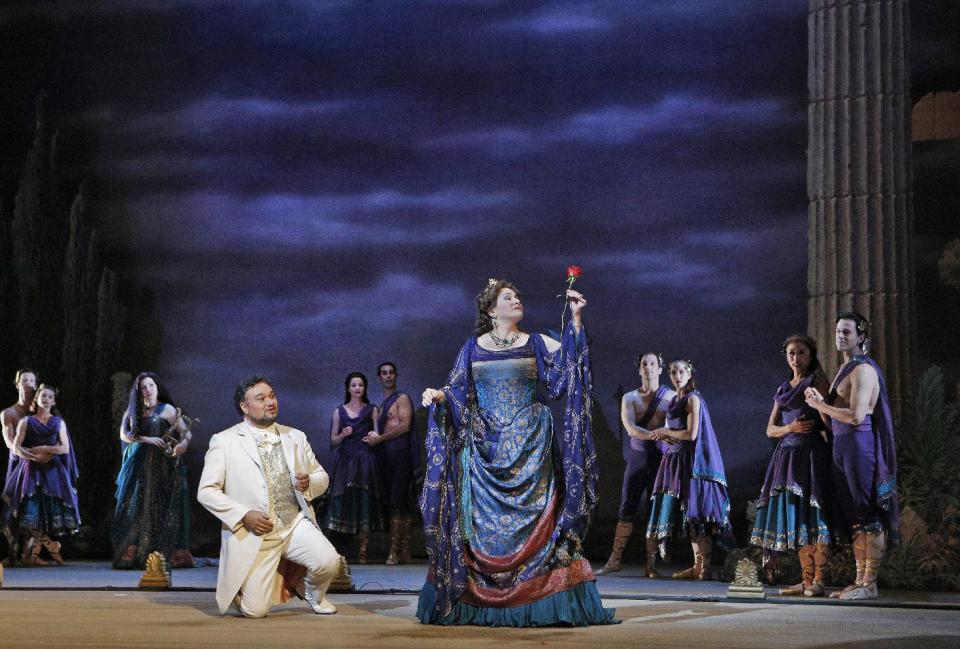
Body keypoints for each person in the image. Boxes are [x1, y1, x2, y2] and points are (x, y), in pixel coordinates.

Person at [417, 278, 616, 627]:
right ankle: (475, 602)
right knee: (477, 528)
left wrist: (576, 319)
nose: (517, 300)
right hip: (484, 452)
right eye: (508, 297)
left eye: (518, 296)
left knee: (538, 526)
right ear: (492, 310)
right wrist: (440, 396)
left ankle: (546, 602)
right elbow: (458, 389)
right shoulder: (473, 347)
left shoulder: (536, 342)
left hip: (530, 450)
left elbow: (568, 369)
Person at [197, 376, 340, 618]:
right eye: (261, 398)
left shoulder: (295, 437)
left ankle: (314, 595)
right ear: (245, 406)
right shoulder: (225, 441)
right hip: (257, 533)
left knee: (329, 560)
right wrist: (244, 515)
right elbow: (206, 491)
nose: (270, 402)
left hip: (293, 525)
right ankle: (245, 589)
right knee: (255, 612)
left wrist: (308, 484)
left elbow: (321, 477)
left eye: (272, 396)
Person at [804, 312, 900, 600]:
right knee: (856, 517)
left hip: (859, 445)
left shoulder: (863, 371)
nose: (840, 336)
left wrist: (825, 406)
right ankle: (859, 581)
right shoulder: (843, 370)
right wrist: (819, 404)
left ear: (861, 337)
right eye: (837, 331)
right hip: (841, 446)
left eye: (847, 332)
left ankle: (869, 584)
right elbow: (832, 421)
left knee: (867, 513)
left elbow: (857, 417)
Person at [750, 335, 833, 596]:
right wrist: (790, 428)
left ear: (811, 355)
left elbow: (830, 423)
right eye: (791, 354)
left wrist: (818, 403)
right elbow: (770, 429)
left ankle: (819, 579)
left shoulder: (817, 381)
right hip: (786, 457)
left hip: (811, 454)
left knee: (814, 513)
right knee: (797, 516)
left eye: (801, 353)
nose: (796, 358)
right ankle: (806, 579)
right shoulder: (783, 388)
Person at [646, 359, 731, 580]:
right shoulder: (675, 399)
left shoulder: (693, 398)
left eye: (682, 371)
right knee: (687, 514)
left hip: (689, 462)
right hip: (674, 460)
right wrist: (664, 435)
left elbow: (691, 434)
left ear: (690, 373)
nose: (678, 375)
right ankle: (697, 566)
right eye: (673, 372)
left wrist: (666, 432)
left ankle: (704, 568)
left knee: (696, 513)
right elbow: (673, 432)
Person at [596, 352, 675, 577]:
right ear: (639, 369)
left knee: (654, 509)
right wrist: (660, 434)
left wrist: (668, 435)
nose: (648, 367)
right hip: (638, 456)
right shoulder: (629, 398)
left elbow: (675, 428)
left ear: (660, 369)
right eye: (644, 364)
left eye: (653, 364)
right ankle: (615, 559)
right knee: (627, 506)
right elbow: (631, 429)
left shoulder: (670, 397)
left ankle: (651, 565)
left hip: (661, 459)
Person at [112, 372, 195, 569]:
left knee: (160, 506)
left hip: (162, 467)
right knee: (135, 506)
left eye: (151, 385)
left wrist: (182, 445)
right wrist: (147, 439)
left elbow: (186, 433)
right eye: (143, 387)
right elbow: (125, 435)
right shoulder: (134, 411)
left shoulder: (167, 409)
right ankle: (134, 551)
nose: (148, 390)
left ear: (157, 387)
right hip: (138, 468)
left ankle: (163, 553)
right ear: (138, 391)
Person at [1, 384, 79, 566]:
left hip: (53, 472)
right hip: (31, 471)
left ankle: (33, 554)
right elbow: (16, 446)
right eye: (43, 396)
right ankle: (50, 545)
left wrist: (45, 449)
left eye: (49, 397)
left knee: (45, 512)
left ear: (54, 401)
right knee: (29, 513)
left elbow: (64, 447)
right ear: (36, 399)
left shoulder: (58, 422)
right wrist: (32, 456)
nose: (46, 399)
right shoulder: (26, 421)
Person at [319, 372, 384, 564]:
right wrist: (343, 434)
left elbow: (377, 437)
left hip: (365, 460)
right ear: (348, 388)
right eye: (354, 385)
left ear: (365, 388)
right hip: (345, 462)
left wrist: (374, 437)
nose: (357, 389)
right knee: (340, 503)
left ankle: (363, 551)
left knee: (364, 503)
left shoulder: (372, 410)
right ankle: (333, 551)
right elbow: (333, 441)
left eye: (361, 385)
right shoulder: (339, 411)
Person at [372, 362, 419, 565]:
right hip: (387, 457)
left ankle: (394, 552)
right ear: (379, 377)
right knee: (395, 502)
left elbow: (405, 426)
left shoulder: (402, 398)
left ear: (396, 376)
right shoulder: (381, 406)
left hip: (401, 454)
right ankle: (404, 551)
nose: (388, 376)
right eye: (384, 373)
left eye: (391, 373)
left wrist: (380, 439)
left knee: (398, 501)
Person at [1, 368, 38, 563]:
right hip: (18, 463)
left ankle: (29, 552)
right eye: (24, 380)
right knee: (12, 506)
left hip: (36, 465)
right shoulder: (8, 412)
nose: (28, 384)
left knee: (32, 506)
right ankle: (11, 552)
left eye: (31, 381)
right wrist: (25, 454)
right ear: (17, 384)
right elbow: (9, 441)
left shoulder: (40, 410)